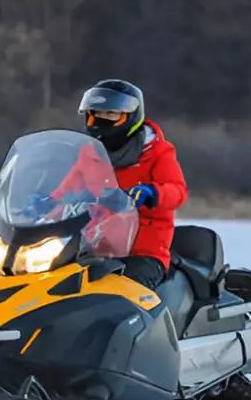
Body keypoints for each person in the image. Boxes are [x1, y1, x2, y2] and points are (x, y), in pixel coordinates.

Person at [78, 78, 188, 289]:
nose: (103, 119)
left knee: (127, 292)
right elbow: (70, 187)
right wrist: (44, 201)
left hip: (143, 249)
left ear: (130, 117)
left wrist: (152, 192)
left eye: (111, 114)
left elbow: (178, 191)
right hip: (94, 246)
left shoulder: (157, 152)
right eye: (97, 113)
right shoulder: (90, 153)